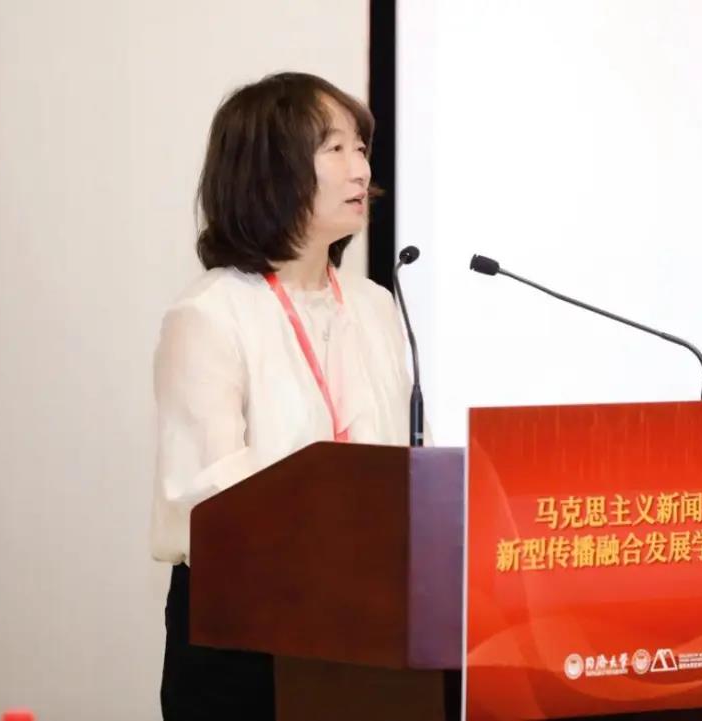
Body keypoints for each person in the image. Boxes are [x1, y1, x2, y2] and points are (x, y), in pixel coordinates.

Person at [149, 71, 414, 720]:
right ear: (272, 171)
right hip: (246, 630)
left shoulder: (376, 305)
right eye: (335, 149)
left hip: (371, 617)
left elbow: (406, 456)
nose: (361, 170)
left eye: (361, 148)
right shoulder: (211, 313)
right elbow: (215, 496)